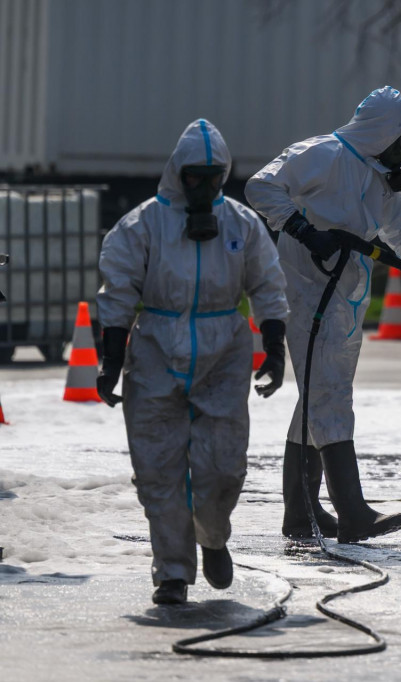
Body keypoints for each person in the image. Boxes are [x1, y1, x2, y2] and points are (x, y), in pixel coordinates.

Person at [245, 86, 401, 544]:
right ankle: (352, 512)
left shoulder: (374, 176)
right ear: (384, 132)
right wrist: (305, 231)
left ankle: (300, 515)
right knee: (329, 397)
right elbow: (260, 187)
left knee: (318, 399)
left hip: (345, 295)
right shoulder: (320, 154)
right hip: (307, 292)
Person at [96, 119, 289, 606]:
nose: (202, 187)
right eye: (193, 176)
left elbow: (267, 283)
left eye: (212, 176)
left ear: (224, 175)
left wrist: (274, 344)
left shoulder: (241, 225)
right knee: (158, 469)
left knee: (222, 467)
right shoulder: (143, 225)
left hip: (225, 350)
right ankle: (173, 574)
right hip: (155, 350)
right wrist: (111, 358)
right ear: (176, 173)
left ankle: (213, 537)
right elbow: (118, 290)